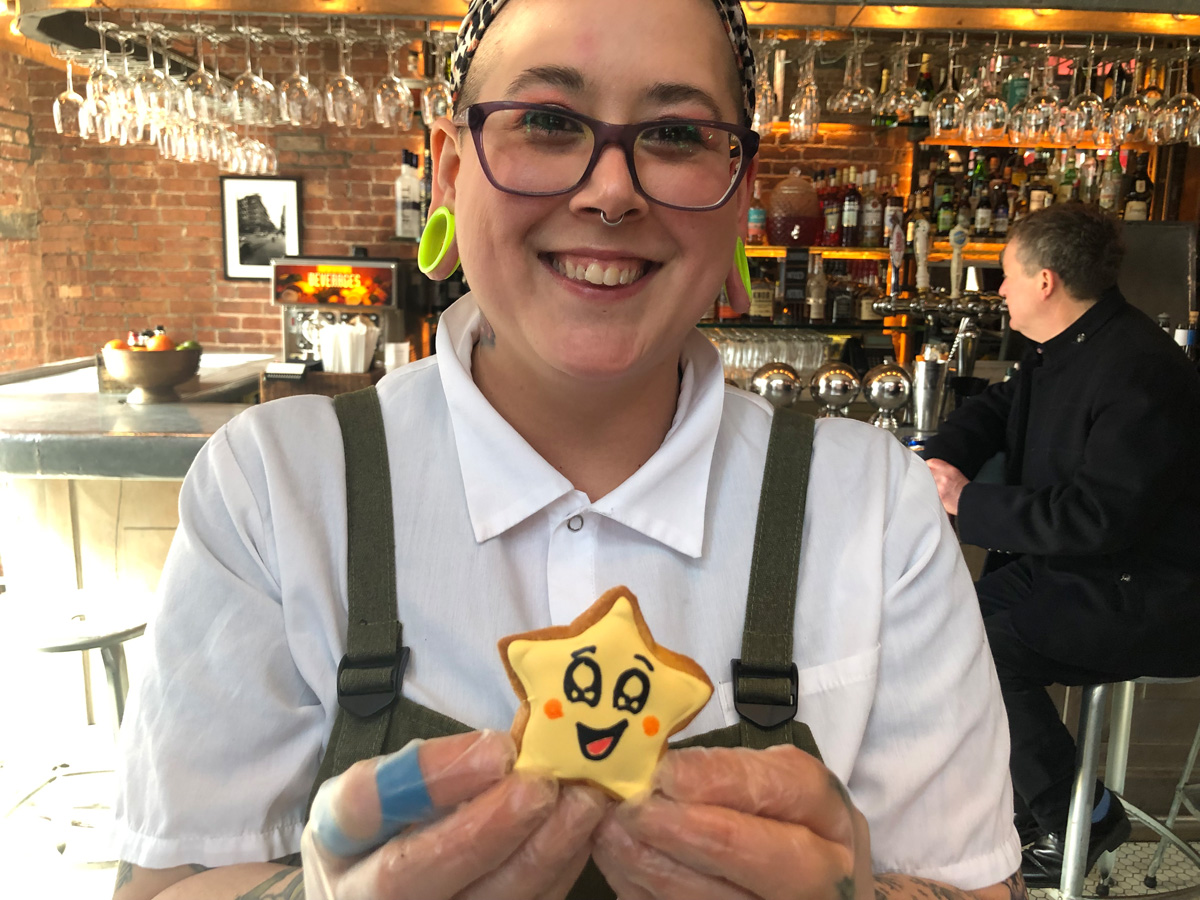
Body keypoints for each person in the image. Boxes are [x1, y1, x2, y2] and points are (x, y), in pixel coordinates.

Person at [111, 2, 1023, 898]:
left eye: (674, 134)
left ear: (741, 192)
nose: (611, 190)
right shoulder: (274, 491)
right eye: (546, 122)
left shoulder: (876, 510)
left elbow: (979, 885)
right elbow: (161, 880)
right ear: (448, 169)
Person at [923, 202, 1200, 888]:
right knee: (934, 623)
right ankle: (1018, 811)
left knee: (972, 645)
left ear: (1045, 280)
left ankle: (1078, 814)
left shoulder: (1139, 368)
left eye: (1006, 274)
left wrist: (967, 501)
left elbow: (1098, 517)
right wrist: (934, 460)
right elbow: (998, 410)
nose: (1000, 291)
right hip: (1080, 571)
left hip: (1147, 593)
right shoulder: (1066, 345)